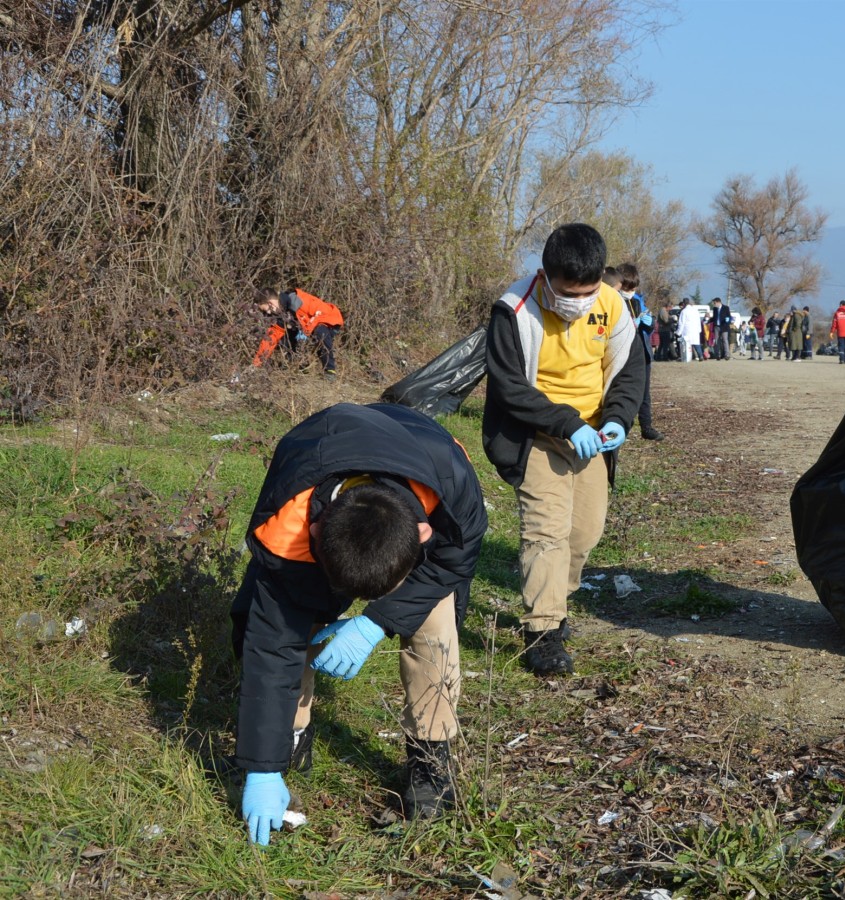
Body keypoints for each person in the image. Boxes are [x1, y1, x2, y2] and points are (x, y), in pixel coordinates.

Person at [231, 402, 487, 846]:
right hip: (330, 458)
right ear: (314, 533)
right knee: (292, 616)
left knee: (434, 616)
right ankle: (291, 735)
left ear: (423, 536)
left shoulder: (452, 492)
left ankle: (431, 758)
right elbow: (272, 645)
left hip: (419, 452)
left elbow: (451, 566)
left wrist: (374, 623)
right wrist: (261, 768)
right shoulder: (289, 521)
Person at [481, 223, 645, 676]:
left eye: (588, 291)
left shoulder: (613, 304)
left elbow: (631, 371)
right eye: (569, 293)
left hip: (593, 436)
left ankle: (557, 600)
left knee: (584, 533)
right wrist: (565, 423)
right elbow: (509, 387)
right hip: (537, 433)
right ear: (545, 276)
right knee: (545, 532)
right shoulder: (513, 309)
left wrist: (616, 419)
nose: (579, 302)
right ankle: (542, 632)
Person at [615, 263, 664, 440]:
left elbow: (649, 328)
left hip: (642, 351)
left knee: (644, 392)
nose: (631, 291)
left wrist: (648, 322)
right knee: (622, 392)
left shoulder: (637, 301)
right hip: (622, 352)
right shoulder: (613, 300)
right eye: (628, 287)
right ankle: (620, 427)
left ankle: (646, 427)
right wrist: (632, 323)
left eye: (634, 287)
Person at [251, 287, 344, 378]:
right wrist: (257, 363)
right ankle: (300, 365)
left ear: (271, 302)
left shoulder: (299, 300)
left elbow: (323, 313)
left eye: (268, 309)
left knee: (320, 331)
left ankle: (330, 370)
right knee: (284, 336)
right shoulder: (279, 315)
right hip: (307, 328)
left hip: (331, 321)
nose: (269, 313)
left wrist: (306, 330)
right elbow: (271, 337)